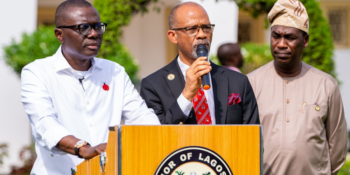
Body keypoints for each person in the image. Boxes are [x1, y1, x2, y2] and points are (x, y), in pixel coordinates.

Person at [21, 0, 160, 174]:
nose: (94, 34)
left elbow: (141, 117)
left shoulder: (114, 71)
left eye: (97, 26)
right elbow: (45, 124)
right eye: (84, 27)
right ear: (59, 34)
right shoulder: (37, 72)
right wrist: (83, 148)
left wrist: (160, 139)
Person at [247, 0, 347, 174]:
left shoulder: (325, 85)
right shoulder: (251, 83)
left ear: (305, 40)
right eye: (276, 36)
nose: (281, 44)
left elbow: (337, 147)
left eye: (290, 37)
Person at [140, 2, 259, 125]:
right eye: (191, 29)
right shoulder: (153, 85)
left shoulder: (238, 81)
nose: (202, 35)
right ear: (173, 36)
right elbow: (156, 137)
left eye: (206, 27)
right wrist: (186, 95)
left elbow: (252, 137)